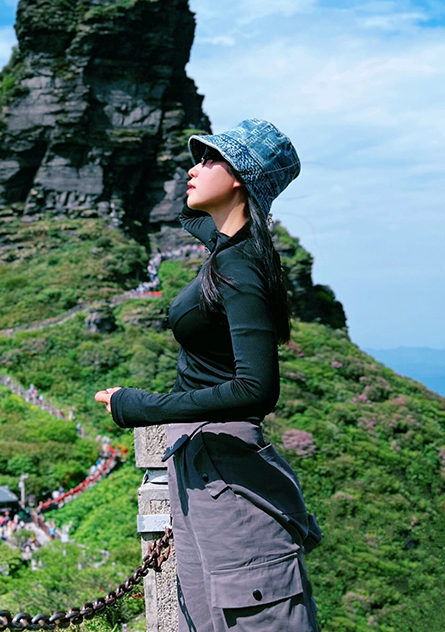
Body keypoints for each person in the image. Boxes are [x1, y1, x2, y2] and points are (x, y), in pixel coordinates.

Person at [95, 119, 321, 632]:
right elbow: (187, 215)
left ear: (240, 176)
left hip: (228, 472)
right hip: (203, 467)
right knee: (205, 614)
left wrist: (139, 407)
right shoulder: (227, 253)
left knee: (249, 615)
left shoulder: (241, 267)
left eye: (210, 160)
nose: (192, 169)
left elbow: (256, 389)